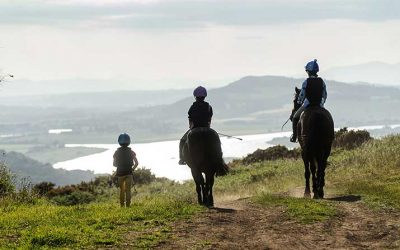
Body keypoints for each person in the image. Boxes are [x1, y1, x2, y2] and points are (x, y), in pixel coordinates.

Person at [290, 59, 327, 142]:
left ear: (309, 71)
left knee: (295, 117)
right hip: (319, 105)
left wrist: (299, 102)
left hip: (308, 104)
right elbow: (324, 95)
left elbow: (301, 96)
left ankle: (294, 136)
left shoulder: (306, 82)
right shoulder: (322, 81)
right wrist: (321, 103)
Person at [178, 86, 213, 165]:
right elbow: (209, 120)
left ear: (195, 96)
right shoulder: (209, 107)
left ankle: (182, 159)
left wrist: (191, 127)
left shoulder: (193, 107)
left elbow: (190, 120)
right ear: (205, 96)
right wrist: (207, 127)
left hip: (195, 129)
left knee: (182, 141)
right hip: (206, 129)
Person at [113, 133, 139, 207]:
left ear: (119, 141)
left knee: (122, 190)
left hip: (120, 174)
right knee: (128, 190)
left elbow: (114, 164)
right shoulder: (131, 152)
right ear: (129, 141)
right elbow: (136, 163)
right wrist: (132, 169)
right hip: (129, 173)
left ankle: (122, 206)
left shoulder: (116, 152)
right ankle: (128, 206)